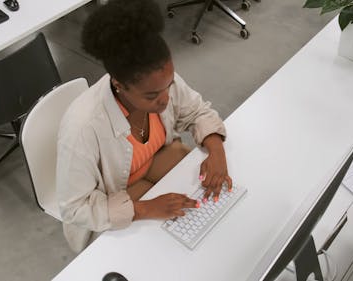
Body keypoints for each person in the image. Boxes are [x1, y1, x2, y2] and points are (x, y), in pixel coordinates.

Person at [56, 0, 232, 253]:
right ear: (119, 84)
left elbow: (196, 111)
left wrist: (217, 150)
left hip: (152, 166)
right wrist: (146, 209)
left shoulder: (158, 80)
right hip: (112, 199)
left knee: (205, 222)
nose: (165, 99)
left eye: (169, 86)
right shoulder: (83, 127)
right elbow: (74, 207)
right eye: (151, 96)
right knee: (163, 251)